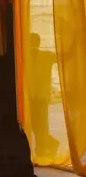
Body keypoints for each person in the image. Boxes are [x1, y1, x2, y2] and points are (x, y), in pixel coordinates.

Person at [27, 32, 59, 161]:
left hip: (38, 97)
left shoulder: (45, 56)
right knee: (37, 126)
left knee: (40, 125)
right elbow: (64, 58)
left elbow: (63, 58)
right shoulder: (46, 56)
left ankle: (41, 150)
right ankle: (48, 144)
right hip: (34, 96)